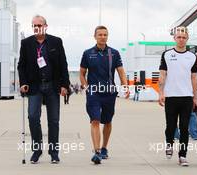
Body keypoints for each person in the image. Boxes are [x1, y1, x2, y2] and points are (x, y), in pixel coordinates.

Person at [18, 15, 70, 164]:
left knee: (53, 121)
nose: (36, 27)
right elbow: (21, 65)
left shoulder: (56, 41)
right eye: (34, 25)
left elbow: (63, 65)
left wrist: (64, 85)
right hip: (34, 86)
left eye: (39, 25)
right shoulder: (26, 43)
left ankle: (54, 152)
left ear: (45, 26)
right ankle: (37, 150)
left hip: (52, 86)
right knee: (33, 117)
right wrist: (23, 82)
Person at [79, 26, 130, 164]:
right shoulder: (87, 53)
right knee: (95, 120)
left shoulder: (114, 53)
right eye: (100, 34)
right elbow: (82, 73)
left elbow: (120, 71)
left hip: (109, 93)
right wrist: (86, 88)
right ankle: (96, 152)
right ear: (95, 36)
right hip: (94, 93)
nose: (103, 37)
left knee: (107, 121)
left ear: (107, 36)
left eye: (105, 34)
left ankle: (104, 148)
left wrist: (125, 85)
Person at [158, 26, 197, 166]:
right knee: (170, 126)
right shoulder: (167, 55)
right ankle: (169, 145)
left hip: (186, 97)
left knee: (184, 127)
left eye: (184, 37)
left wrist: (195, 97)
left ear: (187, 39)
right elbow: (162, 74)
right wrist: (161, 93)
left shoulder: (192, 56)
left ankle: (182, 156)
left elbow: (194, 77)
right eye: (178, 37)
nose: (181, 39)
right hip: (171, 97)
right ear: (174, 38)